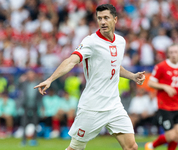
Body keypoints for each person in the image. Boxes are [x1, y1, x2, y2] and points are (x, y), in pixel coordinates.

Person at [34, 4, 145, 150]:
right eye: (99, 18)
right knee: (75, 148)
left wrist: (132, 76)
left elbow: (114, 66)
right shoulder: (90, 42)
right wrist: (50, 79)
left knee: (131, 147)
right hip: (92, 106)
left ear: (115, 19)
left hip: (114, 105)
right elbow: (71, 61)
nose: (103, 22)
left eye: (106, 18)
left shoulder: (120, 41)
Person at [145, 44, 178, 150]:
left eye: (175, 52)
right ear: (168, 54)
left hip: (177, 105)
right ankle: (151, 146)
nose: (174, 54)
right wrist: (165, 86)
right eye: (171, 52)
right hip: (164, 106)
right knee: (171, 136)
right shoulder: (161, 66)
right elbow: (150, 83)